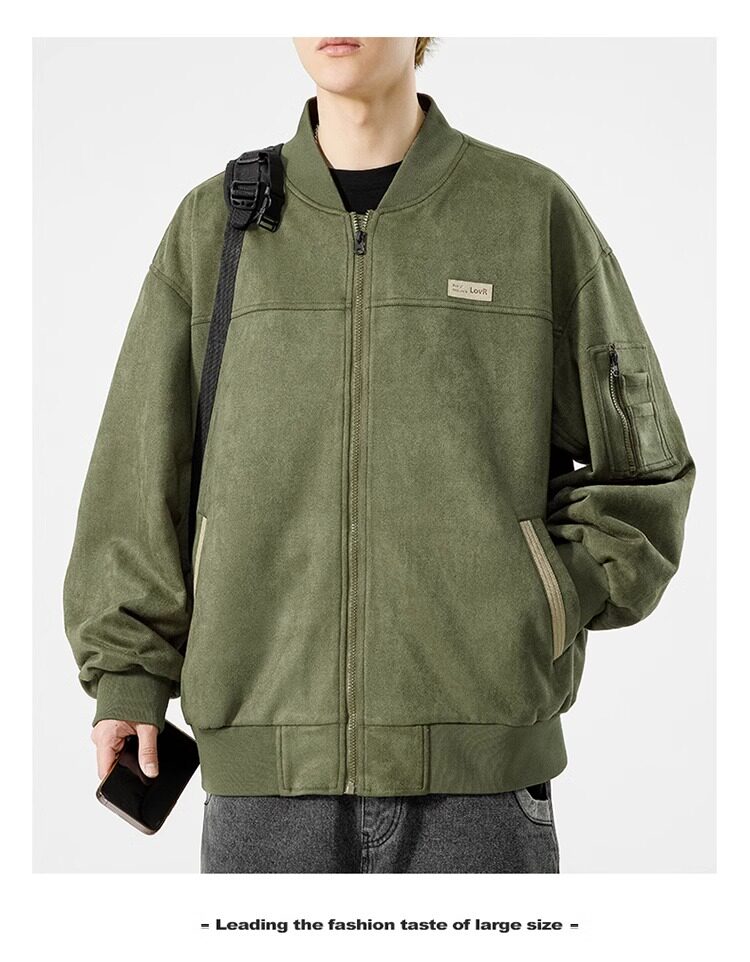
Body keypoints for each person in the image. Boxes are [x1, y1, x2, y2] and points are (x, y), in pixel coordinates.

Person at [63, 37, 696, 873]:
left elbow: (646, 478)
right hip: (265, 796)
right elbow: (137, 471)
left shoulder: (528, 212)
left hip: (480, 795)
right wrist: (128, 676)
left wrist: (531, 599)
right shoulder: (214, 227)